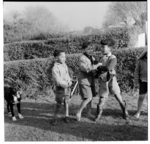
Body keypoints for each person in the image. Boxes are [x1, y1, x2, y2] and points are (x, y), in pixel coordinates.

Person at [94, 39, 129, 122]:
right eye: (101, 47)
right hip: (103, 80)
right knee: (102, 99)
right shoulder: (100, 58)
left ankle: (125, 112)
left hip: (111, 80)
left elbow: (108, 68)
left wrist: (98, 67)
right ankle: (98, 114)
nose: (102, 48)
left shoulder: (113, 58)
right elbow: (98, 70)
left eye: (104, 47)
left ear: (109, 48)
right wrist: (96, 70)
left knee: (118, 96)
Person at [76, 42, 102, 121]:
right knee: (88, 98)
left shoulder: (91, 57)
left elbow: (95, 65)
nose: (91, 50)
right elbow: (86, 69)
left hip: (90, 80)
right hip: (84, 80)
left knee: (90, 97)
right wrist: (96, 66)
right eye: (88, 48)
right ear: (84, 49)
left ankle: (88, 112)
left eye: (91, 48)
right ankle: (79, 112)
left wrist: (99, 64)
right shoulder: (82, 58)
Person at [51, 50, 72, 125]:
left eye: (65, 57)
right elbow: (58, 80)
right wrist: (66, 84)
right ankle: (55, 117)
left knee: (66, 101)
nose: (64, 58)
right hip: (60, 88)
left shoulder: (65, 65)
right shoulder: (55, 68)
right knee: (59, 103)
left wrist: (69, 81)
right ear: (57, 57)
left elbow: (67, 75)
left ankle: (66, 116)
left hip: (67, 87)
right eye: (62, 57)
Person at [134, 48, 147, 119]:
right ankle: (138, 112)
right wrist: (137, 82)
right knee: (141, 97)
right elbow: (136, 72)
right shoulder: (140, 61)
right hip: (143, 81)